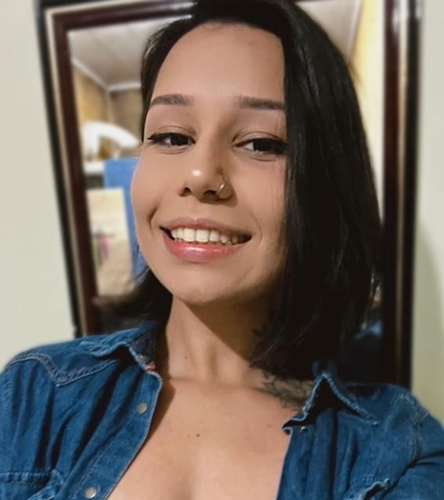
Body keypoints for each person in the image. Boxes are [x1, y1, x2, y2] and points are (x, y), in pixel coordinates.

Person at [1, 0, 444, 498]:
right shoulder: (35, 394)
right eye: (171, 136)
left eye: (261, 143)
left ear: (325, 185)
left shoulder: (397, 454)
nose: (199, 174)